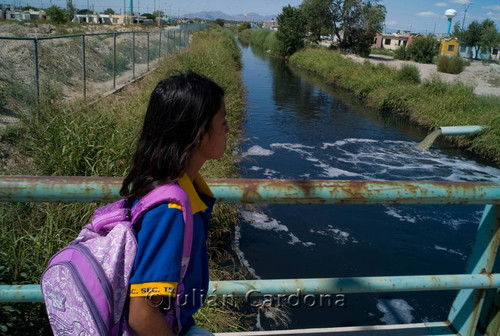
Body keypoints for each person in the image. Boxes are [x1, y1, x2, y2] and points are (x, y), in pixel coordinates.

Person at [119, 72, 229, 336]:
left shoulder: (170, 182)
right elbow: (143, 314)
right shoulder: (170, 209)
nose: (228, 129)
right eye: (223, 121)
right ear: (199, 134)